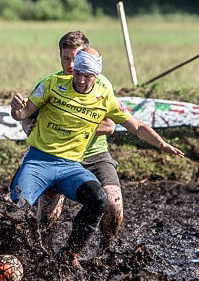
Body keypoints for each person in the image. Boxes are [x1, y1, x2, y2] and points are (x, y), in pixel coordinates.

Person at [9, 47, 183, 269]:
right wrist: (16, 110)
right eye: (77, 73)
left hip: (72, 165)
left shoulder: (104, 95)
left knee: (101, 201)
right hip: (40, 160)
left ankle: (70, 254)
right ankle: (1, 261)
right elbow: (23, 114)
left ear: (96, 75)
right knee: (16, 209)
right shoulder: (52, 83)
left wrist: (161, 143)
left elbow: (135, 126)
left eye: (87, 75)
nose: (80, 80)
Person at [21, 31, 124, 254]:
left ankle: (103, 254)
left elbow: (110, 125)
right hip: (58, 156)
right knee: (48, 215)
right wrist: (27, 125)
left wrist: (76, 126)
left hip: (95, 155)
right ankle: (45, 256)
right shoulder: (52, 83)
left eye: (75, 58)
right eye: (65, 58)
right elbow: (27, 115)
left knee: (113, 205)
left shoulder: (101, 84)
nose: (70, 65)